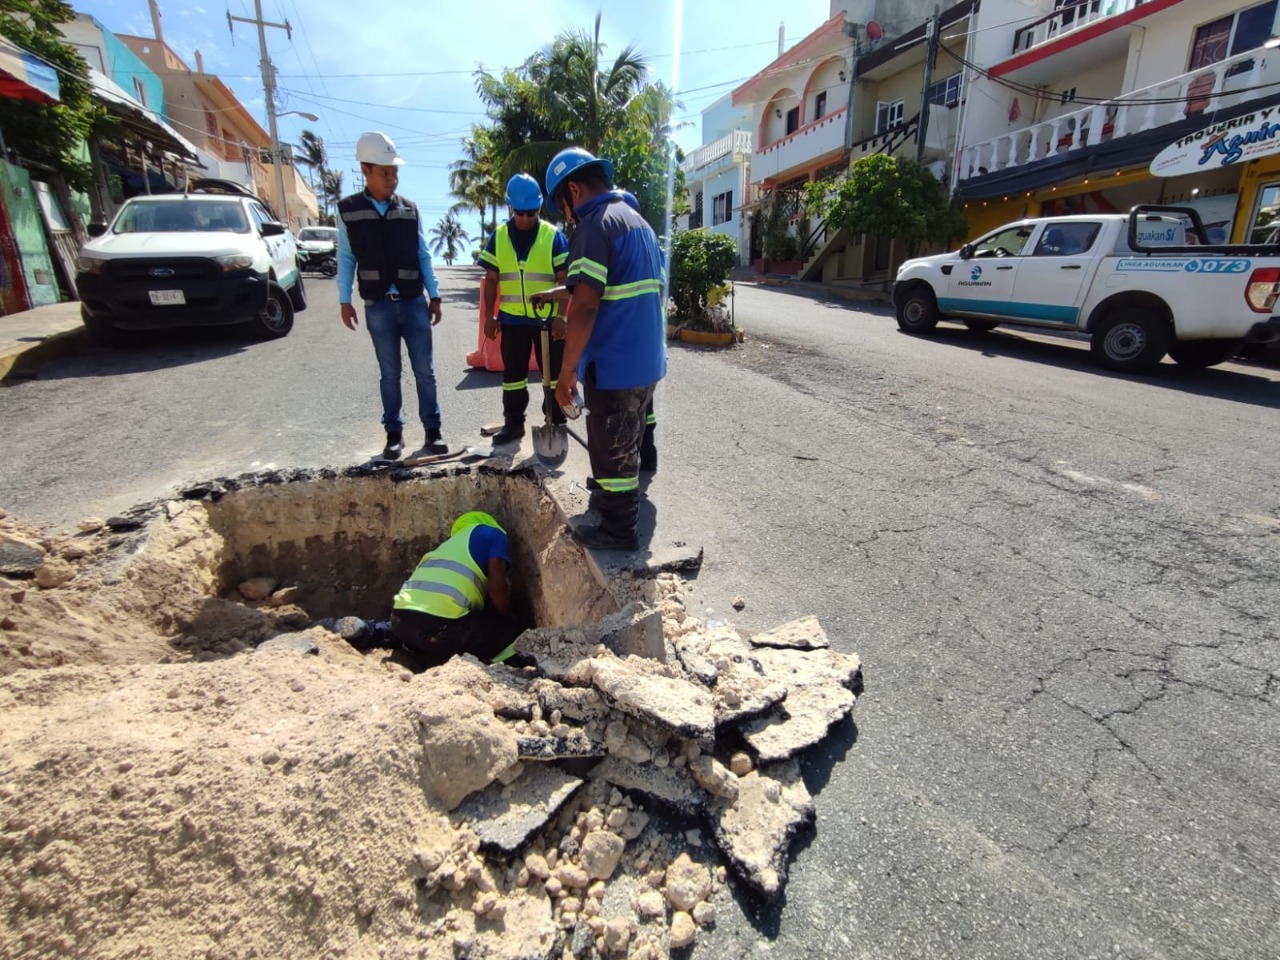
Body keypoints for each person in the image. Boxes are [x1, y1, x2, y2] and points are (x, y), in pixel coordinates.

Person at [540, 147, 667, 550]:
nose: (567, 216)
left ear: (573, 190)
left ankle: (618, 528)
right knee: (626, 436)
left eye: (564, 205)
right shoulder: (637, 222)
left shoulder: (594, 225)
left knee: (610, 439)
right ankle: (614, 501)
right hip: (646, 357)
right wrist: (563, 292)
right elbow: (614, 284)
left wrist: (566, 371)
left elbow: (588, 303)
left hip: (616, 359)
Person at [337, 131, 447, 462]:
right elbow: (345, 258)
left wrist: (435, 294)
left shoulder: (410, 210)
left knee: (425, 371)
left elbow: (423, 253)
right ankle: (394, 436)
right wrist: (345, 300)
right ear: (366, 169)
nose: (392, 178)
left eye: (395, 172)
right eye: (385, 172)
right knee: (390, 374)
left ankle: (433, 431)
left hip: (413, 303)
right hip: (378, 307)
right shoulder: (349, 211)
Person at [317, 511, 526, 670]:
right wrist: (506, 615)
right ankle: (516, 663)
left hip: (401, 619)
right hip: (444, 627)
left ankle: (368, 631)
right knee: (507, 633)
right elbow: (497, 587)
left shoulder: (444, 549)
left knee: (412, 629)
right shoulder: (492, 533)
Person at [478, 173, 570, 445]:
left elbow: (566, 281)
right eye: (520, 213)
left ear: (539, 208)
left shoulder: (553, 236)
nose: (525, 218)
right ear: (510, 207)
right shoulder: (499, 237)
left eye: (530, 213)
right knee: (513, 378)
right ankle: (513, 424)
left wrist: (562, 317)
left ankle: (556, 420)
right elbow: (492, 281)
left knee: (553, 377)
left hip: (548, 320)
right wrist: (489, 317)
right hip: (513, 321)